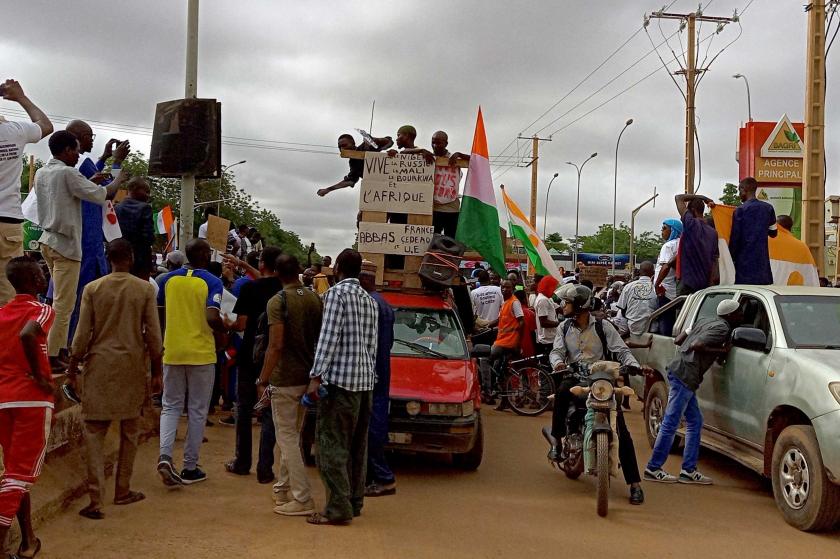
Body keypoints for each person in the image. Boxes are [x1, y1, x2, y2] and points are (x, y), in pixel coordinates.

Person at [67, 239, 163, 519]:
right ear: (130, 258)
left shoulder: (92, 289)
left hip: (99, 366)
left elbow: (82, 334)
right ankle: (122, 490)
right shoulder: (144, 289)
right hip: (132, 366)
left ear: (109, 259)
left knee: (94, 433)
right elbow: (154, 336)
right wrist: (156, 370)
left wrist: (72, 368)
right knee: (130, 432)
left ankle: (96, 499)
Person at [34, 130, 127, 372]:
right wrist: (118, 172)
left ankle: (60, 350)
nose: (78, 155)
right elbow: (107, 194)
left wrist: (92, 180)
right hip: (67, 246)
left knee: (59, 300)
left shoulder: (43, 172)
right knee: (65, 305)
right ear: (66, 150)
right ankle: (54, 356)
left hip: (48, 241)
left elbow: (68, 193)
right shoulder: (68, 173)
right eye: (76, 149)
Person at [548, 283, 647, 505]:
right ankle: (556, 441)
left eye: (567, 302)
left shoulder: (604, 326)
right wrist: (558, 364)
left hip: (601, 379)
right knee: (563, 391)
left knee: (620, 428)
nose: (563, 306)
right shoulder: (564, 328)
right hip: (573, 375)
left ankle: (635, 484)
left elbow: (621, 350)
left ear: (580, 305)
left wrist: (632, 365)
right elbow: (556, 352)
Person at [305, 248, 378, 526]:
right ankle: (353, 502)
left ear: (337, 269)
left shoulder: (336, 295)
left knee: (331, 447)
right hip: (364, 384)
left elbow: (328, 338)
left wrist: (315, 376)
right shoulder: (369, 300)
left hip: (340, 386)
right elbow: (371, 346)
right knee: (357, 449)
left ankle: (337, 508)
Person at [645, 299, 742, 485]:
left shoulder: (704, 320)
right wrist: (722, 350)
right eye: (739, 313)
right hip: (686, 375)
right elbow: (697, 345)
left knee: (695, 421)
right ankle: (653, 467)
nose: (741, 316)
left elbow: (679, 339)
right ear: (730, 315)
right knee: (670, 422)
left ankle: (688, 470)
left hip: (680, 371)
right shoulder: (722, 329)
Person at [255, 253, 323, 515]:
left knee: (286, 438)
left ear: (274, 272)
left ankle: (302, 497)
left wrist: (263, 379)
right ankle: (282, 489)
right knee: (292, 435)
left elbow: (275, 345)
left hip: (284, 379)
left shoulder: (278, 301)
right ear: (299, 271)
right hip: (308, 379)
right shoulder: (315, 299)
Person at [156, 238, 225, 486]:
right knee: (197, 410)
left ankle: (165, 455)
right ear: (205, 255)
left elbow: (160, 313)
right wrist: (223, 330)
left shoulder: (167, 280)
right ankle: (189, 466)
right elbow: (212, 315)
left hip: (172, 350)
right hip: (201, 353)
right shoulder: (212, 282)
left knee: (170, 406)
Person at [0, 256, 54, 558]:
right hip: (31, 399)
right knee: (19, 475)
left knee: (14, 475)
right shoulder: (42, 309)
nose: (44, 273)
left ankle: (27, 541)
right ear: (33, 281)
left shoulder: (2, 312)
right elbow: (28, 333)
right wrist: (40, 376)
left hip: (4, 400)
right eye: (40, 271)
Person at [224, 246, 283, 483]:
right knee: (269, 411)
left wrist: (226, 323)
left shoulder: (249, 288)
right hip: (274, 358)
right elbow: (266, 283)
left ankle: (242, 461)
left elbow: (240, 324)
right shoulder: (282, 291)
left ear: (261, 264)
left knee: (244, 408)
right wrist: (243, 265)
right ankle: (265, 467)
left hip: (249, 355)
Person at [0, 79, 52, 306]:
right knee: (8, 294)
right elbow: (46, 125)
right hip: (7, 220)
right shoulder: (14, 132)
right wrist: (20, 97)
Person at [358, 261, 397, 497]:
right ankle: (374, 476)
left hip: (372, 373)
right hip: (381, 370)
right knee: (375, 424)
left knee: (371, 427)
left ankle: (383, 477)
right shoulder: (384, 304)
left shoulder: (370, 304)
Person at [726, 177, 778, 285]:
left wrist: (730, 260)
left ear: (744, 190)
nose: (739, 194)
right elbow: (774, 233)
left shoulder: (739, 211)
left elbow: (735, 240)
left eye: (739, 190)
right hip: (762, 266)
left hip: (743, 267)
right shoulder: (768, 209)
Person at [317, 133, 394, 197]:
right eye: (339, 147)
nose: (342, 149)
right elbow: (350, 181)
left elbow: (389, 142)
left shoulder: (365, 147)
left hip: (393, 185)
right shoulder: (353, 162)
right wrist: (328, 189)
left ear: (353, 144)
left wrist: (374, 139)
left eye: (344, 145)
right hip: (379, 193)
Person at [674, 194, 719, 294]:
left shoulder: (691, 224)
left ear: (692, 211)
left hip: (687, 284)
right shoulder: (713, 233)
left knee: (683, 309)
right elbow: (715, 261)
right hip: (705, 286)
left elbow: (678, 198)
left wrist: (703, 198)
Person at [428, 131, 468, 237]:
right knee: (431, 241)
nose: (435, 146)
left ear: (446, 143)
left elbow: (477, 160)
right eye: (433, 142)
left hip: (451, 208)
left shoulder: (455, 159)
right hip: (433, 208)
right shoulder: (428, 158)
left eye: (438, 143)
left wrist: (459, 154)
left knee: (450, 240)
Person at [115, 177, 155, 280]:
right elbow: (149, 238)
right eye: (146, 191)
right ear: (134, 188)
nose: (148, 195)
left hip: (117, 259)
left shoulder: (116, 208)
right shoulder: (145, 208)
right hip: (140, 262)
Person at [489, 280, 524, 391]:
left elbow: (521, 321)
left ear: (512, 288)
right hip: (502, 340)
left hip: (508, 342)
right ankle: (504, 396)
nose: (504, 289)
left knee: (486, 358)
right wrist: (486, 325)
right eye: (503, 287)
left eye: (507, 287)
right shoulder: (505, 303)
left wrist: (518, 342)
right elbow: (500, 320)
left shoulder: (514, 302)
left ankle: (488, 388)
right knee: (500, 368)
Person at [654, 218, 682, 335]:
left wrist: (656, 284)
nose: (662, 231)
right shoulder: (682, 243)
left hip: (664, 291)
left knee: (664, 322)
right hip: (676, 290)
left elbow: (666, 267)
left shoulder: (668, 246)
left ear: (673, 230)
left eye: (665, 228)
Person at [615, 261, 658, 337]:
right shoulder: (656, 288)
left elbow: (622, 308)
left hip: (631, 327)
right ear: (653, 272)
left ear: (639, 271)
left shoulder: (628, 286)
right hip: (651, 329)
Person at [534, 275, 560, 355]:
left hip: (552, 337)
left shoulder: (548, 298)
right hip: (547, 340)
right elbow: (544, 323)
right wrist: (560, 324)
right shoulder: (543, 300)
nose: (554, 290)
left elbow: (560, 309)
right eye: (554, 287)